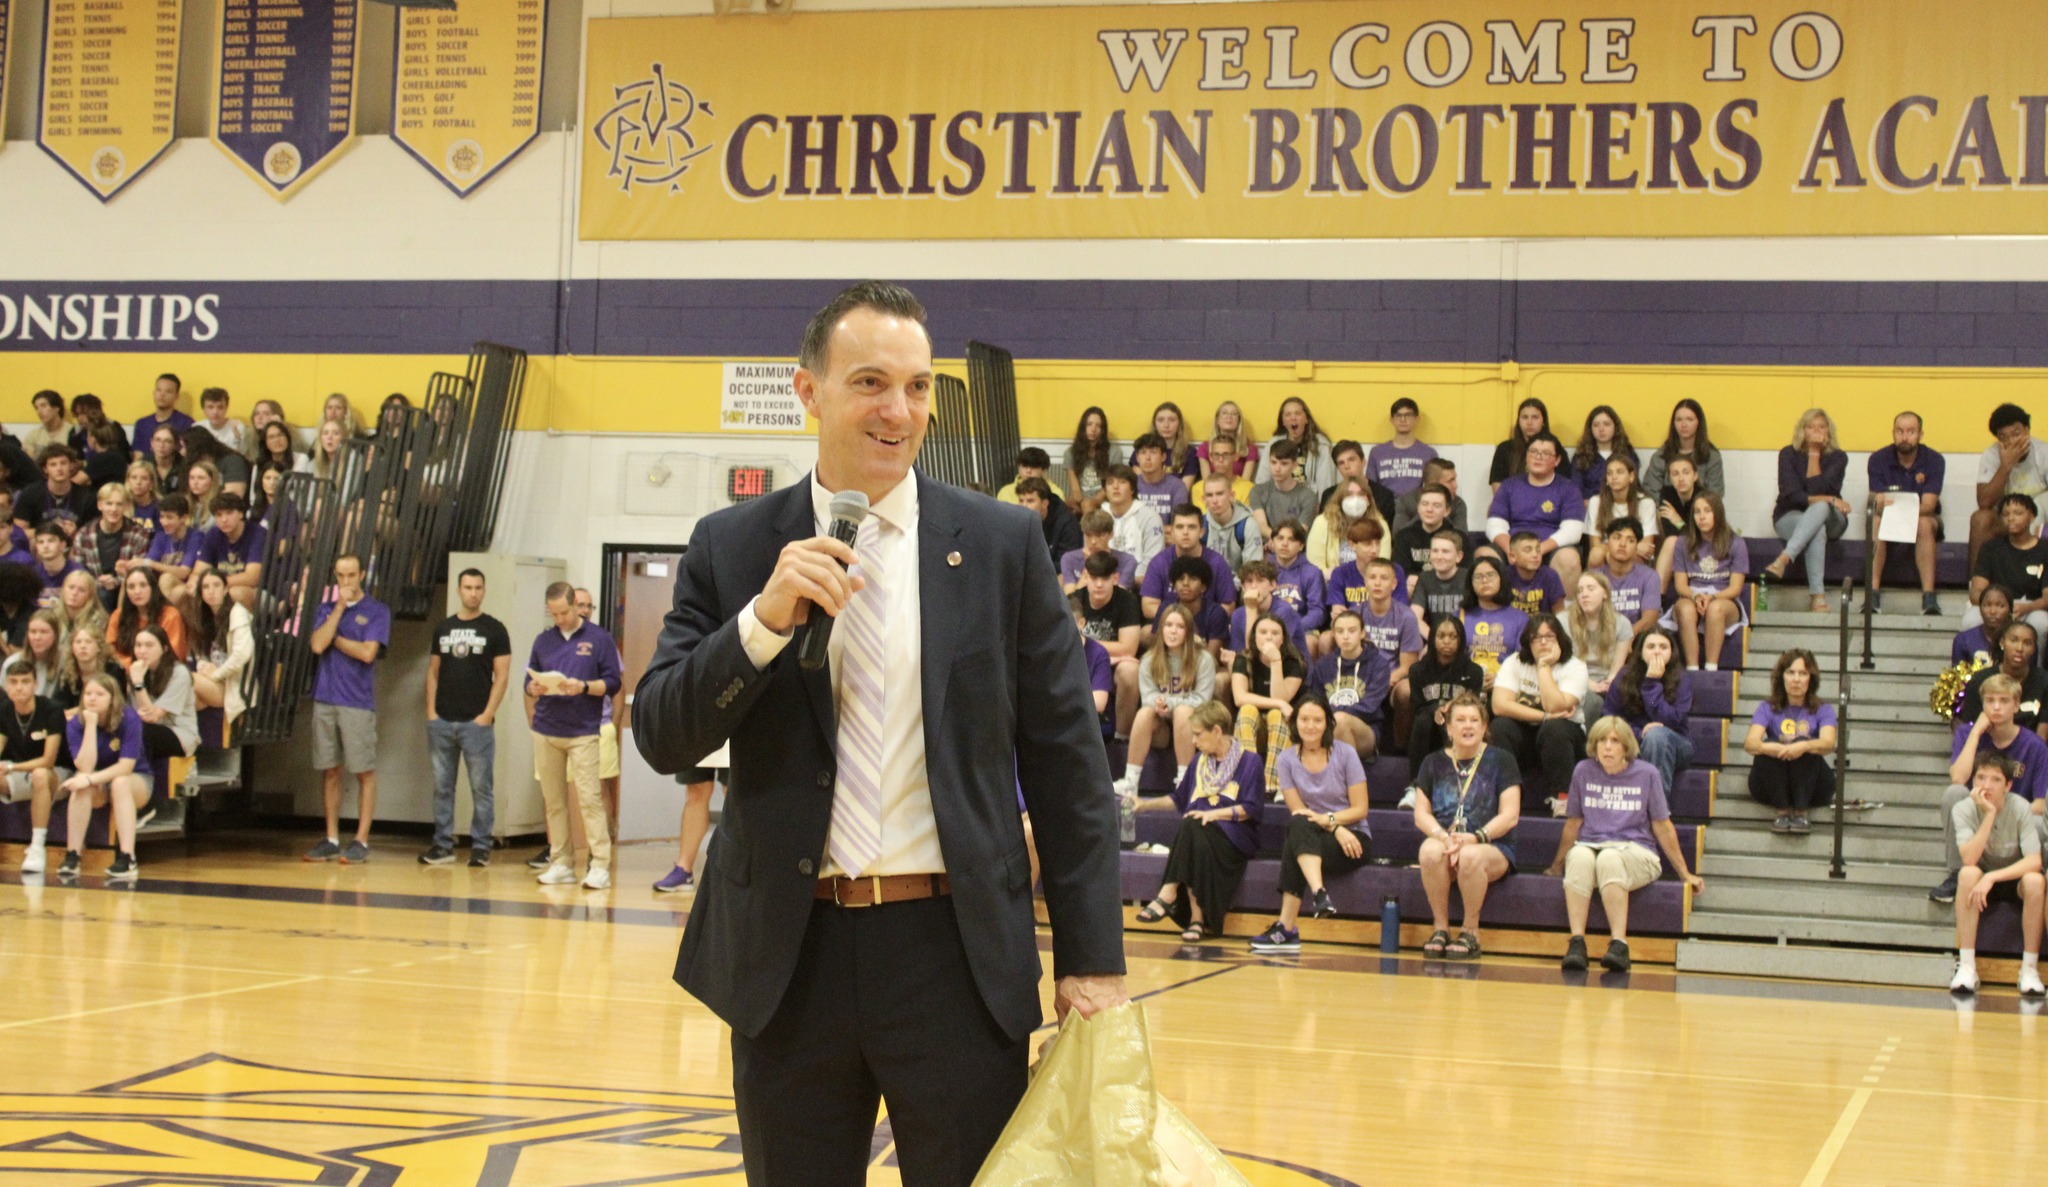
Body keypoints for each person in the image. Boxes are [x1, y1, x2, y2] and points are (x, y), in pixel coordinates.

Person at [630, 282, 1126, 1184]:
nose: (899, 411)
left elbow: (1067, 764)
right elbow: (663, 733)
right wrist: (762, 622)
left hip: (954, 951)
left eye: (919, 386)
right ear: (808, 391)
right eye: (869, 382)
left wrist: (1091, 958)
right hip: (788, 954)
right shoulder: (733, 545)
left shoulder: (1003, 544)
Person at [1545, 716, 1704, 973]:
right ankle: (1577, 943)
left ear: (1626, 747)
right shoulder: (1583, 771)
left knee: (1609, 858)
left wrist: (1685, 873)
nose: (1607, 747)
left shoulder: (1647, 774)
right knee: (1580, 856)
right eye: (1601, 741)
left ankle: (1619, 945)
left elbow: (1662, 826)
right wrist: (1556, 864)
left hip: (1637, 851)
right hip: (1592, 847)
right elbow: (1574, 823)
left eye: (1614, 741)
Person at [1247, 696, 1372, 953]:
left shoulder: (1345, 753)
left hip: (1354, 839)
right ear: (1295, 723)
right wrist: (1334, 827)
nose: (1310, 726)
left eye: (1317, 720)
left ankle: (1287, 928)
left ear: (1327, 724)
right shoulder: (1286, 760)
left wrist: (1336, 823)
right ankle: (1318, 894)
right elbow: (1299, 811)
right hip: (1319, 832)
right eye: (1304, 719)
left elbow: (1361, 809)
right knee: (1298, 825)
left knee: (1296, 836)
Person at [1133, 700, 1265, 943]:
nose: (1193, 742)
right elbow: (1179, 799)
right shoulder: (1198, 762)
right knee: (1194, 827)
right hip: (1199, 832)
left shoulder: (1250, 762)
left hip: (1234, 836)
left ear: (1216, 731)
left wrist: (1213, 815)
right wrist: (1144, 804)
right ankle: (1195, 920)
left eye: (1197, 735)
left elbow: (1252, 808)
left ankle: (1169, 893)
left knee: (1194, 824)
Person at [524, 582, 621, 889]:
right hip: (547, 728)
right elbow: (529, 682)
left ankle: (600, 864)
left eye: (564, 612)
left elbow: (614, 683)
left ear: (576, 606)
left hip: (582, 730)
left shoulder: (599, 639)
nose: (560, 619)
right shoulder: (543, 641)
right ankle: (561, 861)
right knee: (553, 801)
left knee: (589, 798)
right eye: (554, 614)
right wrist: (533, 688)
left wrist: (584, 687)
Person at [1411, 691, 1522, 960]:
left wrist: (1476, 837)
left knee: (1471, 856)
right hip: (1449, 844)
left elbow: (1511, 815)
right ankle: (1440, 928)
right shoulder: (1433, 762)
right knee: (1429, 851)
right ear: (1449, 728)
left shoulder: (1502, 760)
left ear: (1484, 728)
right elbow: (1421, 815)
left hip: (1490, 846)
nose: (1468, 725)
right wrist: (1443, 837)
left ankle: (1471, 931)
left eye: (1474, 720)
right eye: (1460, 720)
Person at [422, 568, 512, 867]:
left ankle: (481, 846)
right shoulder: (443, 628)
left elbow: (502, 676)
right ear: (459, 590)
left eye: (478, 588)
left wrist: (487, 715)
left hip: (477, 724)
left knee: (481, 787)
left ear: (483, 591)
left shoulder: (495, 629)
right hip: (443, 721)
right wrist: (431, 712)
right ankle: (442, 845)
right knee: (441, 787)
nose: (473, 592)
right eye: (468, 587)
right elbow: (433, 672)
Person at [1932, 673, 2048, 905]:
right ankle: (1957, 873)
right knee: (1954, 794)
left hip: (2015, 825)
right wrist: (1976, 733)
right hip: (1976, 820)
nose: (1996, 707)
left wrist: (2004, 809)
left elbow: (2039, 802)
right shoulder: (1967, 734)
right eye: (1990, 701)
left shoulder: (2034, 745)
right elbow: (1958, 778)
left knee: (2037, 821)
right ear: (1982, 704)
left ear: (2016, 705)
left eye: (2004, 701)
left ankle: (2031, 876)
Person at [303, 554, 389, 864]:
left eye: (352, 574)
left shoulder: (377, 611)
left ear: (362, 574)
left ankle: (361, 840)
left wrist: (335, 640)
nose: (347, 581)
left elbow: (368, 653)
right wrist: (339, 609)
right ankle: (331, 837)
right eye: (341, 575)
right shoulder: (327, 609)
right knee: (330, 769)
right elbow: (316, 644)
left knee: (364, 770)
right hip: (325, 698)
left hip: (357, 701)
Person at [1947, 751, 2048, 995]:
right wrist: (1989, 814)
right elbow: (1969, 858)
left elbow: (2034, 861)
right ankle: (1967, 966)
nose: (1986, 786)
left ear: (2008, 785)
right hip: (1980, 877)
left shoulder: (2020, 807)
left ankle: (2029, 969)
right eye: (1981, 778)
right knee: (1967, 874)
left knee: (2035, 881)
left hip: (2012, 878)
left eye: (1995, 780)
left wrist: (1992, 877)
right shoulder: (1963, 809)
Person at [54, 672, 150, 882]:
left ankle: (127, 857)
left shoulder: (129, 718)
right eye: (88, 693)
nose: (92, 698)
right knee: (81, 785)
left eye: (99, 694)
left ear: (112, 698)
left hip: (136, 779)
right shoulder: (76, 723)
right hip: (99, 782)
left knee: (119, 782)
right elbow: (85, 766)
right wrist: (90, 725)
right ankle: (73, 854)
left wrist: (89, 779)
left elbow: (126, 766)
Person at [1114, 602, 1216, 795]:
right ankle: (1130, 781)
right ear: (1161, 629)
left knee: (1183, 711)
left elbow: (1203, 701)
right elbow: (1148, 697)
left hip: (1193, 729)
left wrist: (1169, 703)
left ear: (1188, 631)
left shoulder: (1203, 659)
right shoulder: (1150, 659)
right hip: (1162, 730)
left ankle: (1185, 783)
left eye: (1179, 626)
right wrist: (1158, 704)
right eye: (1168, 625)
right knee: (1145, 713)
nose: (1173, 631)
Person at [1488, 613, 1589, 806]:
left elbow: (1555, 706)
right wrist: (1544, 716)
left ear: (1560, 639)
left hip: (1565, 738)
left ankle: (1562, 799)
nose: (1543, 642)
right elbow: (1499, 705)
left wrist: (1543, 667)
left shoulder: (1575, 667)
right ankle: (1506, 796)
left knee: (1555, 728)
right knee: (1500, 727)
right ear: (1528, 642)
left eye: (1549, 636)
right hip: (1525, 736)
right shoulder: (1515, 661)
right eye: (1536, 637)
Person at [1761, 408, 1851, 612]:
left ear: (1829, 431)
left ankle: (1784, 558)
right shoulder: (1787, 454)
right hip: (1790, 515)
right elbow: (1791, 495)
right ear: (1802, 431)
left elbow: (1817, 489)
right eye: (1810, 427)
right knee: (1817, 526)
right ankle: (1817, 597)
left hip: (1833, 520)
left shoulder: (1839, 457)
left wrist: (1814, 453)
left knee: (1820, 509)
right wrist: (1829, 499)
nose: (1816, 431)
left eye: (1821, 426)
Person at [1744, 649, 1838, 836]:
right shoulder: (1767, 708)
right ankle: (1783, 812)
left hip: (1813, 787)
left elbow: (1828, 744)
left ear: (1811, 679)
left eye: (1803, 674)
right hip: (1774, 784)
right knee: (1767, 745)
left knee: (1808, 743)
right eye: (1791, 673)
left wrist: (1803, 746)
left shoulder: (1823, 709)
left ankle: (1801, 813)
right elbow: (1750, 744)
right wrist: (1771, 747)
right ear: (1782, 677)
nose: (1796, 679)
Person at [1864, 411, 1946, 615]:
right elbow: (1876, 501)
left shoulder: (1934, 460)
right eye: (1900, 431)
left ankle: (1929, 598)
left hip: (1924, 518)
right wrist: (1896, 505)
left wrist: (1895, 504)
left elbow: (1929, 505)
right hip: (1889, 518)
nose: (1905, 436)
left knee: (1924, 523)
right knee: (1875, 521)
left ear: (1920, 434)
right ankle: (1871, 595)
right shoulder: (1878, 459)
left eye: (1911, 431)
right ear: (1893, 433)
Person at [1487, 434, 1585, 590]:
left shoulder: (1569, 488)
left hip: (1550, 548)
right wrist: (1511, 550)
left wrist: (1537, 550)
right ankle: (1492, 612)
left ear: (1557, 460)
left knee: (1569, 559)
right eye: (1533, 452)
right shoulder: (1509, 486)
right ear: (1526, 456)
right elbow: (1494, 525)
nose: (1538, 457)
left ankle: (1565, 614)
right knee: (1485, 556)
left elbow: (1573, 531)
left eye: (1545, 453)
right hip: (1512, 546)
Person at [570, 586, 627, 852]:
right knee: (561, 792)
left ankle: (601, 850)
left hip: (598, 726)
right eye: (580, 604)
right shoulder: (550, 641)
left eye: (588, 606)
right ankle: (561, 849)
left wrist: (613, 727)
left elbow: (618, 687)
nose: (584, 610)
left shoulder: (602, 641)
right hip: (561, 728)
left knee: (599, 788)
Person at [1665, 492, 1749, 671]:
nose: (1701, 517)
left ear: (1717, 513)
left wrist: (1712, 597)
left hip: (1723, 598)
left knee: (1715, 609)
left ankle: (1711, 668)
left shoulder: (1736, 543)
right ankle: (1692, 668)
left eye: (1707, 511)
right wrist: (1696, 596)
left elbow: (1735, 588)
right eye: (1696, 512)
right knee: (1686, 609)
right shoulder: (1683, 542)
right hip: (1692, 596)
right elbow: (1680, 586)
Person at [1602, 626, 1693, 788]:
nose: (1657, 652)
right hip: (1633, 739)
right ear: (1641, 652)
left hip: (1676, 742)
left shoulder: (1681, 679)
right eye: (1651, 647)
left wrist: (1651, 685)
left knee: (1656, 736)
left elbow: (1672, 720)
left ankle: (1656, 808)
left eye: (1663, 647)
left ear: (1672, 652)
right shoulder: (1625, 675)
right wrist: (1639, 733)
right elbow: (1610, 717)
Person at [2, 657, 66, 875]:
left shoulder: (52, 710)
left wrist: (10, 768)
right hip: (21, 771)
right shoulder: (4, 710)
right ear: (6, 685)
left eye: (25, 681)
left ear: (35, 684)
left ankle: (37, 847)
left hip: (58, 774)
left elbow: (48, 760)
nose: (19, 687)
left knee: (40, 774)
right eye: (13, 682)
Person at [1231, 612, 1304, 795]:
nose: (1269, 637)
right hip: (1252, 728)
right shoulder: (1243, 658)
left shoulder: (1294, 662)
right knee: (1247, 709)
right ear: (1254, 637)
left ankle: (1274, 782)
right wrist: (1279, 704)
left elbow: (1281, 697)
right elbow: (1240, 698)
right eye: (1263, 632)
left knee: (1276, 714)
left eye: (1275, 633)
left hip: (1285, 730)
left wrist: (1276, 661)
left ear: (1283, 639)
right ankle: (1246, 778)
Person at [1971, 403, 2048, 571]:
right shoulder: (1992, 455)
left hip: (2040, 517)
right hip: (2007, 518)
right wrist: (2005, 466)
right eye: (2004, 437)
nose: (2012, 441)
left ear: (2027, 431)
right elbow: (1984, 502)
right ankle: (1975, 587)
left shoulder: (2043, 452)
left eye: (2016, 433)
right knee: (1980, 518)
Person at [1072, 552, 1142, 734]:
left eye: (1105, 578)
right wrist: (1102, 654)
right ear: (1086, 577)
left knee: (1129, 670)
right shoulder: (1073, 600)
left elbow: (1129, 648)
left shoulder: (1127, 601)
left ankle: (1122, 735)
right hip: (1084, 661)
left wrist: (1092, 647)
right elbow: (1065, 641)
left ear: (1115, 578)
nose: (1099, 584)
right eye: (1094, 578)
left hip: (1115, 663)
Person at [1306, 608, 1389, 756]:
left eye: (1352, 631)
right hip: (1327, 725)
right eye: (1340, 631)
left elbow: (1369, 707)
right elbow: (1316, 701)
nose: (1345, 636)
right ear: (1334, 634)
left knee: (1340, 720)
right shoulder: (1323, 665)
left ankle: (1349, 777)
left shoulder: (1378, 664)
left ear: (1362, 633)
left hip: (1365, 729)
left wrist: (1332, 717)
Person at [1963, 494, 2048, 640]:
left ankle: (2036, 663)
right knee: (1971, 620)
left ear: (2032, 517)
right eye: (2006, 514)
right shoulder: (1990, 548)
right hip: (1995, 605)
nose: (2011, 518)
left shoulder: (2045, 550)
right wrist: (1995, 607)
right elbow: (1976, 591)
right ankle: (1979, 662)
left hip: (2031, 607)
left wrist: (2026, 608)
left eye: (2018, 513)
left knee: (2041, 623)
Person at [1407, 615, 1486, 760]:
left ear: (1461, 640)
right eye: (1441, 636)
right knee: (1423, 720)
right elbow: (1417, 708)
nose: (1447, 642)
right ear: (1432, 639)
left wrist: (1452, 708)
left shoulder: (1474, 672)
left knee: (1453, 719)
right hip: (1427, 728)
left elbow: (1474, 706)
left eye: (1453, 637)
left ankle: (1460, 770)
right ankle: (1417, 779)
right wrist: (1436, 709)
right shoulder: (1417, 670)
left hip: (1459, 724)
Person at [1953, 621, 2048, 740]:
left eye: (2027, 643)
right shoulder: (1979, 681)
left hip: (2030, 753)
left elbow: (2042, 737)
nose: (2019, 648)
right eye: (2014, 640)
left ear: (2034, 649)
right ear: (2002, 642)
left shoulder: (2044, 681)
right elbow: (1970, 730)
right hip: (1987, 753)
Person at [1138, 504, 1235, 621]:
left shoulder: (1217, 562)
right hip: (1170, 627)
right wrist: (1182, 621)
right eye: (1179, 527)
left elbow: (1228, 606)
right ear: (1172, 531)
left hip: (1206, 627)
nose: (1185, 532)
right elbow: (1148, 606)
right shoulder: (1159, 562)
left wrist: (1199, 621)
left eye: (1192, 527)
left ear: (1201, 532)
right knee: (1145, 632)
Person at [69, 482, 153, 610]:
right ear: (100, 505)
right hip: (94, 588)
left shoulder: (138, 534)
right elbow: (78, 569)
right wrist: (98, 582)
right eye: (109, 504)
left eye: (119, 504)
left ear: (125, 507)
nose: (114, 509)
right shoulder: (84, 534)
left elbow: (139, 569)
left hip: (127, 586)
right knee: (99, 593)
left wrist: (115, 581)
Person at [189, 570, 254, 723]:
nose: (211, 591)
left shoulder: (238, 613)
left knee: (186, 677)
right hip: (215, 682)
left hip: (234, 685)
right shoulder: (203, 617)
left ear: (226, 589)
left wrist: (215, 674)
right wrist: (203, 665)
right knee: (189, 700)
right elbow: (200, 653)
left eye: (216, 585)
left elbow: (242, 655)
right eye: (205, 587)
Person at [125, 625, 197, 761]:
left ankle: (141, 778)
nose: (142, 651)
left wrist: (138, 683)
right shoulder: (136, 672)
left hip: (179, 733)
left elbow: (152, 717)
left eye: (149, 645)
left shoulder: (179, 673)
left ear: (164, 649)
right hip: (148, 728)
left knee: (142, 732)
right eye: (138, 645)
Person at [186, 492, 266, 612]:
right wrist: (194, 581)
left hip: (261, 591)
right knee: (188, 592)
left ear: (240, 513)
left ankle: (247, 631)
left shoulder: (257, 533)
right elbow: (199, 570)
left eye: (229, 513)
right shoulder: (213, 534)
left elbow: (252, 578)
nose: (224, 519)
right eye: (219, 515)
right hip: (224, 585)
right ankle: (202, 630)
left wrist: (216, 584)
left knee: (235, 593)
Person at [1462, 555, 1527, 688]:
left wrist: (1499, 677)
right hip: (1466, 684)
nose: (1484, 580)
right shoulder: (1460, 616)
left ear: (1501, 579)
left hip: (1506, 685)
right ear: (1471, 583)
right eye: (1478, 577)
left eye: (1490, 575)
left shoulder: (1520, 618)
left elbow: (1523, 660)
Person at [1569, 572, 1634, 706]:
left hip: (1608, 682)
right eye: (1579, 591)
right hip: (1574, 681)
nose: (1584, 594)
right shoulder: (1563, 621)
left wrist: (1609, 683)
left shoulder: (1622, 623)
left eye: (1591, 589)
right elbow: (1565, 664)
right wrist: (1588, 684)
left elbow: (1617, 667)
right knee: (1592, 702)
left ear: (1605, 594)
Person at [1225, 559, 1306, 666]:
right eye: (1249, 581)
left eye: (1260, 580)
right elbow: (1243, 655)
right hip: (1256, 673)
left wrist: (1251, 609)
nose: (1254, 586)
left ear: (1272, 585)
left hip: (1289, 670)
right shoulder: (1238, 615)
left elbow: (1265, 656)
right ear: (1243, 587)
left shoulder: (1284, 611)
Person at [1641, 398, 1725, 501]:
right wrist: (1668, 512)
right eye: (1679, 420)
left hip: (1700, 513)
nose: (1684, 425)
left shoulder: (1712, 457)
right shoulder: (1661, 456)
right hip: (1666, 512)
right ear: (1673, 423)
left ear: (1699, 422)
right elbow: (1650, 491)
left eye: (1689, 419)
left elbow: (1714, 495)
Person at [1584, 454, 1657, 571]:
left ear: (1631, 476)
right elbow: (1595, 546)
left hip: (1635, 558)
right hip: (1605, 555)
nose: (1614, 477)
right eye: (1610, 473)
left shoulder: (1646, 503)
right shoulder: (1596, 502)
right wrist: (1633, 547)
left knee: (1617, 557)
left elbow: (1646, 548)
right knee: (1597, 554)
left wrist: (1620, 549)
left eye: (1620, 472)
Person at [1306, 476, 1388, 576]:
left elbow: (1383, 564)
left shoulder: (1379, 524)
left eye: (1361, 494)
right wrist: (1338, 577)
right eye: (1349, 494)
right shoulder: (1322, 522)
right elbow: (1314, 567)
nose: (1355, 499)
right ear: (1340, 500)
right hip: (1330, 583)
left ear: (1369, 501)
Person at [1594, 519, 1663, 636]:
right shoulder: (1594, 578)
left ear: (1637, 547)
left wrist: (1625, 638)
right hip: (1602, 639)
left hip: (1636, 639)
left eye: (1630, 540)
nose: (1622, 544)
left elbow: (1649, 619)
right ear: (1607, 543)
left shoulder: (1650, 576)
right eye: (1617, 538)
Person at [107, 567, 188, 664]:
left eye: (143, 585)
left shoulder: (170, 615)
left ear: (153, 588)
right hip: (126, 672)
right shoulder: (118, 615)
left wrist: (143, 666)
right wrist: (130, 666)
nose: (137, 592)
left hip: (164, 671)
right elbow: (110, 651)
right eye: (131, 587)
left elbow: (174, 654)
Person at [16, 445, 95, 541]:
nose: (59, 469)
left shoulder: (86, 497)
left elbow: (93, 534)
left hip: (73, 547)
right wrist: (49, 531)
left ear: (71, 466)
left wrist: (76, 532)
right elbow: (18, 532)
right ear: (45, 469)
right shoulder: (30, 493)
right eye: (53, 464)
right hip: (40, 546)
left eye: (63, 463)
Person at [1257, 396, 1336, 492]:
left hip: (1309, 501)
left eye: (1297, 413)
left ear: (1306, 419)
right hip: (1278, 500)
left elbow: (1325, 484)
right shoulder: (1274, 443)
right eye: (1288, 414)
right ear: (1283, 422)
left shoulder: (1321, 445)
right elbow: (1262, 480)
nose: (1293, 418)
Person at [1250, 438, 1320, 541]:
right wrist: (1275, 540)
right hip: (1267, 546)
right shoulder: (1258, 491)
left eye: (1284, 464)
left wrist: (1279, 542)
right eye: (1273, 462)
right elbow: (1261, 525)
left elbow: (1300, 531)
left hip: (1294, 548)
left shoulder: (1308, 496)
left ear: (1295, 465)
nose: (1277, 469)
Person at [1369, 397, 1436, 500]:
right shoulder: (1377, 453)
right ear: (1392, 419)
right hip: (1385, 509)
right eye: (1398, 415)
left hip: (1416, 510)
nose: (1403, 419)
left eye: (1408, 415)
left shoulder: (1428, 453)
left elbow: (1433, 489)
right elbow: (1371, 488)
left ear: (1416, 419)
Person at [1651, 454, 1703, 585]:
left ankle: (1657, 596)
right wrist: (1684, 527)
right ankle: (1659, 598)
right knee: (1671, 541)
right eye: (1675, 474)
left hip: (1702, 548)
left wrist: (1678, 521)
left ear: (1695, 476)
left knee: (1672, 541)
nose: (1681, 478)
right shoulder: (1667, 494)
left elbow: (1700, 536)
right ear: (1670, 478)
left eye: (1686, 473)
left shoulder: (1703, 497)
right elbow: (1669, 532)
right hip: (1676, 547)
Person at [1102, 463, 1163, 570]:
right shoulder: (1099, 517)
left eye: (1122, 482)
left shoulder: (1150, 518)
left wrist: (1125, 579)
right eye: (1110, 482)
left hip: (1139, 582)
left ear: (1132, 489)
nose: (1115, 487)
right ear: (1105, 491)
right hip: (1103, 581)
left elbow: (1153, 562)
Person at [1058, 509, 1137, 592]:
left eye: (1100, 536)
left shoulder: (1127, 561)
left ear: (1111, 534)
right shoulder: (1069, 559)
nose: (1093, 541)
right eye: (1088, 535)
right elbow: (1069, 597)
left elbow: (1120, 596)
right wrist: (1083, 581)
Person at [1571, 405, 1638, 500]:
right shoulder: (1580, 457)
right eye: (1596, 425)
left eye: (1606, 424)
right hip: (1588, 508)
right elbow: (1575, 491)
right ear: (1590, 429)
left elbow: (1633, 487)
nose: (1601, 429)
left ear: (1615, 427)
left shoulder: (1628, 454)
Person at [1199, 471, 1263, 571]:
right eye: (1209, 495)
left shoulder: (1247, 525)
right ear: (1204, 499)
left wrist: (1227, 585)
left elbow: (1253, 570)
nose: (1215, 500)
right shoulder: (1200, 525)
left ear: (1231, 495)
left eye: (1220, 494)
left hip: (1240, 584)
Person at [1062, 406, 1119, 516]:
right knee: (1063, 502)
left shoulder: (1114, 452)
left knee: (1087, 505)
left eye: (1098, 426)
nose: (1093, 429)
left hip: (1104, 499)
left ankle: (1090, 531)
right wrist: (1082, 504)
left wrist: (1091, 503)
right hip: (1079, 501)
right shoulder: (1070, 453)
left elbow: (1110, 486)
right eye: (1089, 424)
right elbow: (1075, 491)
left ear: (1103, 430)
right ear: (1083, 427)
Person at [1393, 457, 1469, 535]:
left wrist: (1440, 516)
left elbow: (1462, 537)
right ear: (1433, 483)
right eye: (1450, 481)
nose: (1455, 486)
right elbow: (1397, 534)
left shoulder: (1458, 503)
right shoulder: (1405, 502)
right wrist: (1424, 515)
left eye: (1455, 480)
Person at [1488, 397, 1550, 489]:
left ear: (1543, 421)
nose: (1529, 422)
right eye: (1525, 417)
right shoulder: (1504, 449)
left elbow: (1562, 488)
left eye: (1535, 417)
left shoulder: (1555, 450)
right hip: (1511, 502)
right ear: (1519, 421)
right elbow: (1497, 488)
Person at [1413, 528, 1470, 628]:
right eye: (1435, 551)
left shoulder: (1468, 578)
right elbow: (1415, 618)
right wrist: (1433, 641)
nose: (1439, 556)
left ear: (1459, 556)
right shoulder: (1424, 578)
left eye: (1445, 551)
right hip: (1433, 637)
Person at [1503, 531, 1567, 617]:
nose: (1535, 555)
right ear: (1513, 556)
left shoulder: (1550, 576)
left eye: (1538, 550)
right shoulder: (1504, 575)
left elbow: (1559, 614)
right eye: (1528, 550)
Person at [52, 624, 111, 716]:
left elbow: (116, 705)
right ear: (72, 648)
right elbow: (57, 710)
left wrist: (76, 711)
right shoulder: (66, 675)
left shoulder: (112, 671)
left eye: (88, 642)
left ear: (99, 647)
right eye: (78, 642)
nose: (83, 646)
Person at [1130, 432, 1190, 521]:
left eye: (1153, 452)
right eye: (1143, 452)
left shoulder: (1177, 486)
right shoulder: (1130, 485)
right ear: (1137, 458)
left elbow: (1179, 525)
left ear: (1163, 457)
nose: (1147, 457)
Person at [131, 373, 194, 453]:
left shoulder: (186, 423)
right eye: (159, 390)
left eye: (168, 391)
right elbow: (137, 455)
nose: (162, 395)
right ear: (154, 393)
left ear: (176, 396)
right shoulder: (142, 424)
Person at [1955, 584, 2014, 668]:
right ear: (1980, 608)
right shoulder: (1963, 640)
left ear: (2010, 610)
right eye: (1987, 605)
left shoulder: (2021, 641)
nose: (1993, 611)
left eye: (2000, 606)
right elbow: (1957, 676)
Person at [184, 426, 251, 497]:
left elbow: (234, 496)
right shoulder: (191, 465)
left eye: (184, 447)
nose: (182, 452)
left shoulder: (233, 462)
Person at [1198, 399, 1257, 480]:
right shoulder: (1205, 448)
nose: (1229, 417)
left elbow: (1245, 484)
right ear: (1217, 419)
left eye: (1234, 414)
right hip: (1213, 490)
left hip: (1239, 491)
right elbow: (1206, 481)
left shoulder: (1249, 448)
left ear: (1239, 421)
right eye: (1224, 413)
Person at [12, 609, 63, 696]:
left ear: (56, 635)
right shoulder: (13, 662)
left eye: (43, 632)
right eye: (33, 632)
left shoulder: (66, 664)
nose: (37, 637)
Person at [993, 446, 1066, 505]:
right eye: (1024, 466)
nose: (1028, 471)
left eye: (1034, 467)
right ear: (1018, 467)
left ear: (1044, 470)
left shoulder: (1055, 493)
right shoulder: (1005, 492)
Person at [30, 522, 83, 603]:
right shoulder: (32, 575)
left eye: (51, 541)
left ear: (62, 545)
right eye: (41, 542)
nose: (45, 546)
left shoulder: (78, 573)